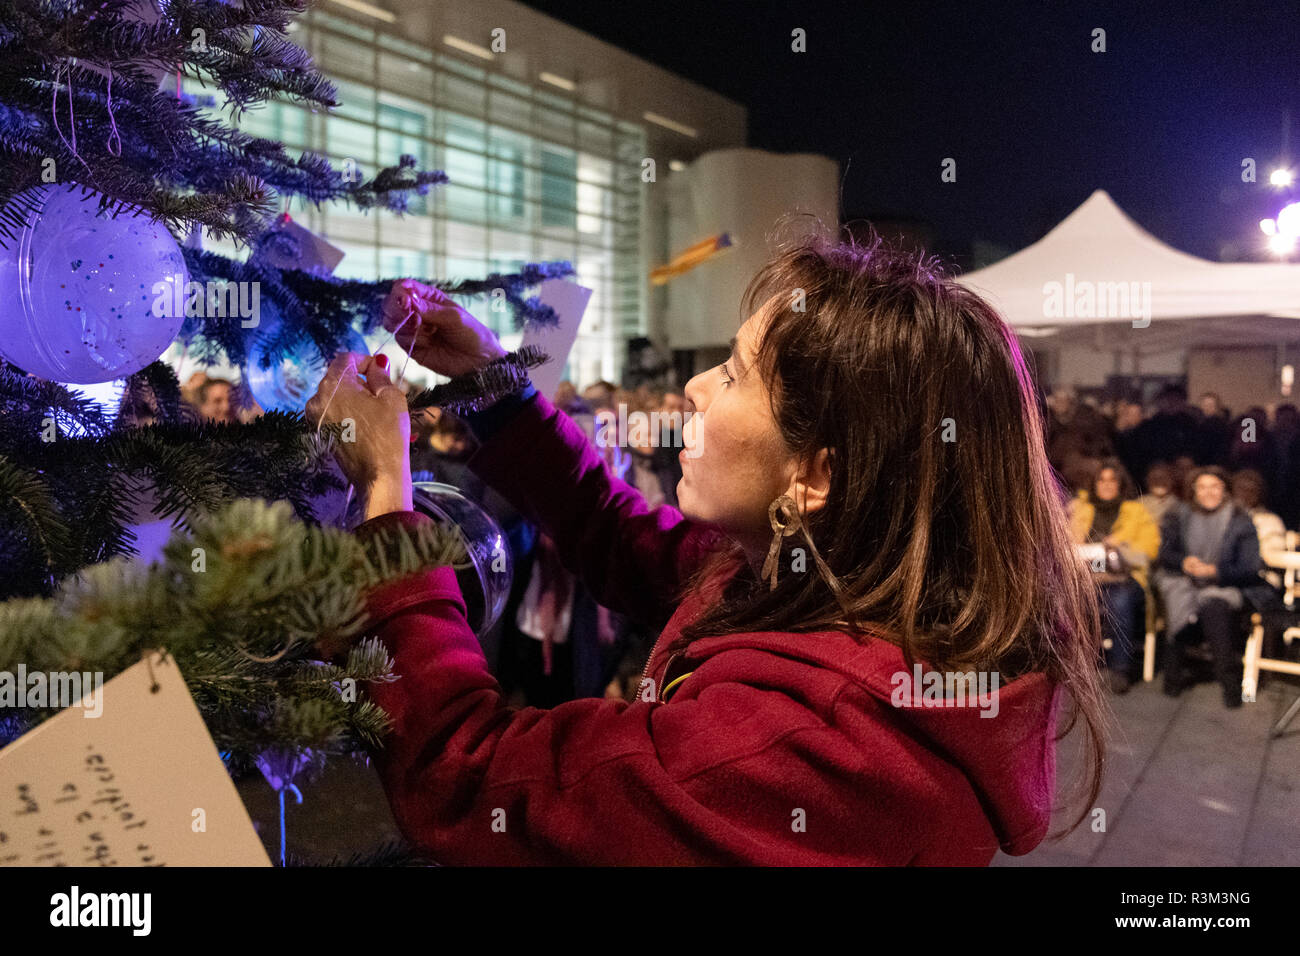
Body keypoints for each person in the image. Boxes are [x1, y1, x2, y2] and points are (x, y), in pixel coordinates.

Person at [305, 237, 1106, 866]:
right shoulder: (814, 580)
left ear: (815, 474)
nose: (694, 388)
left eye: (733, 374)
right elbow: (616, 532)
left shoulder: (801, 749)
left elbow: (470, 780)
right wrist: (490, 377)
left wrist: (384, 493)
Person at [1153, 466, 1271, 708]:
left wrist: (1216, 571)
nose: (1209, 492)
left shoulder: (1240, 520)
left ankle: (1229, 684)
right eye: (1203, 487)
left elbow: (1250, 567)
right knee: (1178, 601)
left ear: (1225, 490)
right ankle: (1172, 679)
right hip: (1185, 580)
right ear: (1193, 490)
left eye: (1215, 487)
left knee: (1213, 606)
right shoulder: (1180, 514)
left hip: (1224, 584)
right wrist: (1183, 561)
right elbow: (1165, 553)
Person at [1068, 459, 1159, 694]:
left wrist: (1118, 549)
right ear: (1094, 484)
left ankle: (1119, 669)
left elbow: (1148, 552)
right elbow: (1064, 544)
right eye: (1102, 480)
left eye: (1112, 481)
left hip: (1123, 576)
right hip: (1086, 573)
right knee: (1063, 597)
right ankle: (1072, 665)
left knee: (1118, 602)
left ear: (1121, 484)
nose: (1107, 485)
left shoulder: (1136, 512)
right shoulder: (1080, 509)